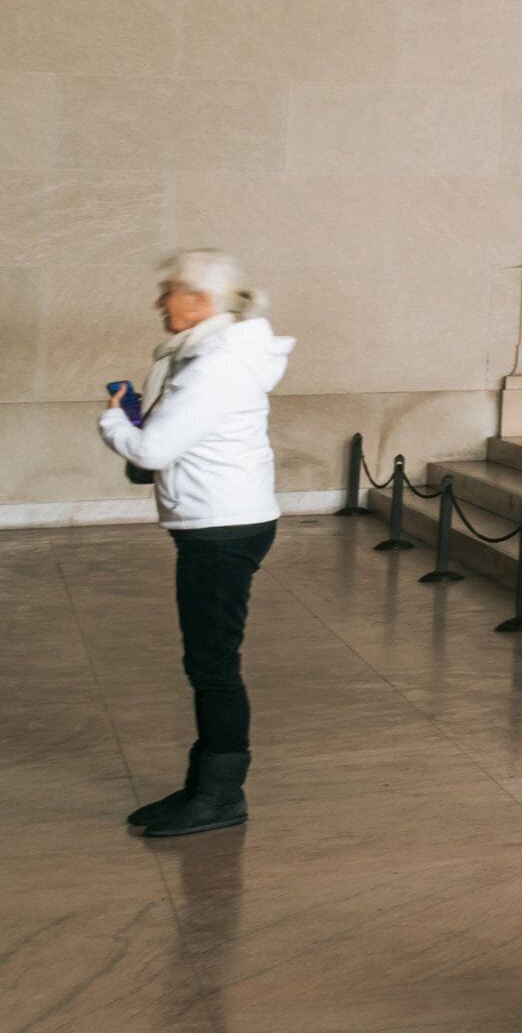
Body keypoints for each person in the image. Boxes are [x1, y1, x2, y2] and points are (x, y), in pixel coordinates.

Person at [97, 249, 295, 838]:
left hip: (221, 529)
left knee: (212, 664)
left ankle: (219, 796)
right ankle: (202, 786)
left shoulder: (217, 365)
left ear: (201, 302)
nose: (160, 302)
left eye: (170, 291)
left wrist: (114, 421)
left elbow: (153, 451)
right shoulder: (209, 355)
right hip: (221, 522)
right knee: (208, 660)